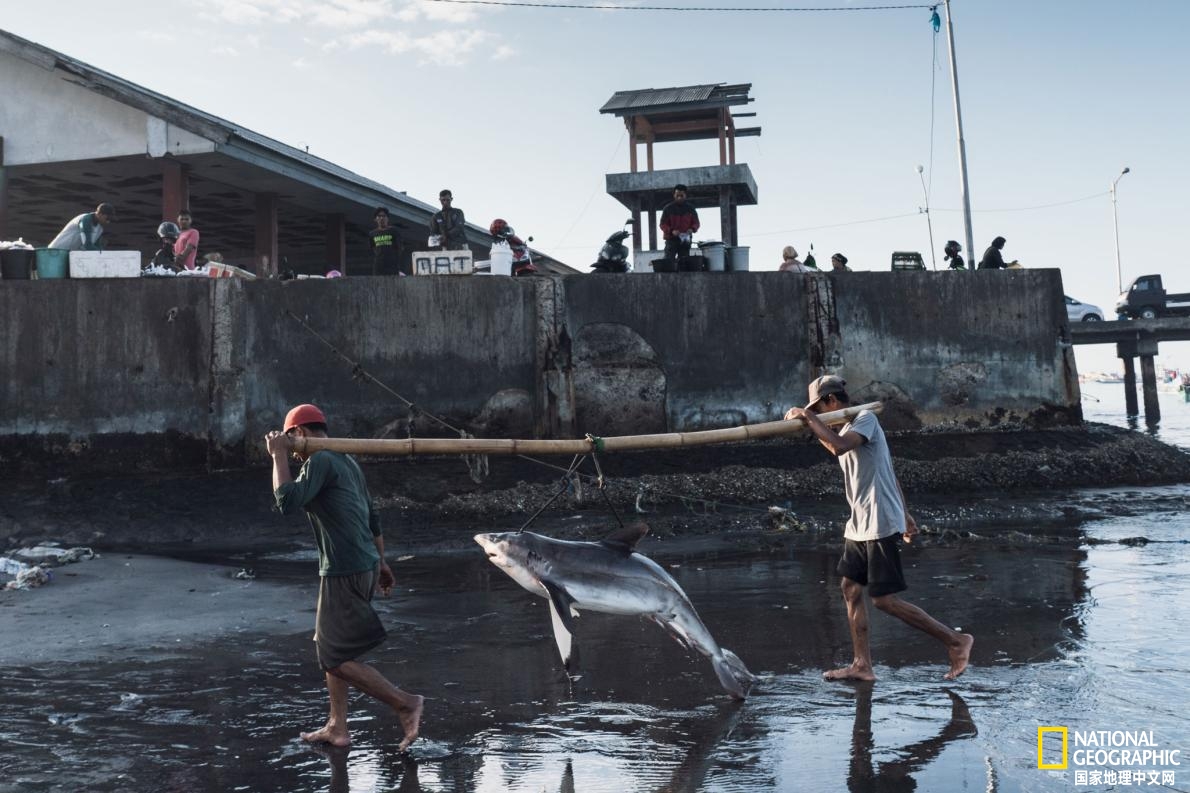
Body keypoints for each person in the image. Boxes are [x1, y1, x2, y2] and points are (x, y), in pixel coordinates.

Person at [783, 376, 973, 682]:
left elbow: (841, 446)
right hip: (859, 523)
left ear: (831, 402)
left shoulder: (865, 419)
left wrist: (807, 416)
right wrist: (907, 513)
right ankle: (862, 664)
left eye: (819, 407)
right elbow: (854, 455)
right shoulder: (845, 429)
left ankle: (956, 640)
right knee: (850, 588)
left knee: (884, 600)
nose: (818, 413)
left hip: (880, 520)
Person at [265, 404, 424, 751]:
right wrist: (381, 562)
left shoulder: (320, 461)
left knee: (333, 657)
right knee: (328, 644)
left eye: (289, 438)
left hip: (345, 568)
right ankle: (337, 726)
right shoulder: (347, 460)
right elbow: (373, 517)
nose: (290, 447)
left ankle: (405, 702)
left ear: (300, 433)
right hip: (363, 563)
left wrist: (277, 457)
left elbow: (285, 501)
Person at [48, 203, 116, 251]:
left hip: (69, 254)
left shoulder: (99, 228)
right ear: (100, 214)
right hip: (56, 251)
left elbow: (96, 247)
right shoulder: (85, 219)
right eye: (107, 218)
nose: (108, 221)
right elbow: (87, 245)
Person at [659, 184, 700, 262]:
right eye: (677, 195)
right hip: (671, 240)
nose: (679, 197)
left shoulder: (691, 209)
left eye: (682, 195)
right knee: (669, 261)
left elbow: (696, 223)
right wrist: (671, 231)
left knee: (684, 263)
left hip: (685, 240)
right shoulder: (668, 209)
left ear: (685, 195)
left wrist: (692, 229)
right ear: (674, 195)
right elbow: (662, 224)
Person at [369, 207, 406, 276]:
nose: (381, 218)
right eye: (379, 216)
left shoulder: (394, 231)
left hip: (392, 266)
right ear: (375, 219)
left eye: (384, 216)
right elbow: (372, 248)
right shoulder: (372, 234)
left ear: (387, 218)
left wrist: (394, 259)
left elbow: (400, 248)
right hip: (378, 266)